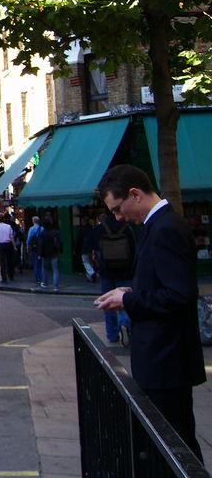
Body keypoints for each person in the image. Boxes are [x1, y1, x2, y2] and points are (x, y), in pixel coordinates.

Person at [95, 164, 205, 462]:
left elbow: (180, 295)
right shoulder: (156, 226)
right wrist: (128, 293)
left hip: (167, 360)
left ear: (135, 194)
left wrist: (129, 301)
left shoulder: (166, 229)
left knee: (175, 447)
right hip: (162, 358)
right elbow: (164, 287)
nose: (118, 217)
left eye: (118, 208)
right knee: (169, 444)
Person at [93, 212, 135, 345]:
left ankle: (112, 334)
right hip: (125, 271)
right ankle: (126, 323)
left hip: (107, 271)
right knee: (125, 300)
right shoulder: (127, 228)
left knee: (107, 302)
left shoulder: (100, 229)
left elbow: (95, 249)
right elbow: (134, 250)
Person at [37, 218, 61, 290]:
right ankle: (55, 286)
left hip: (45, 254)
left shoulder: (42, 233)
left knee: (44, 268)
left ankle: (45, 283)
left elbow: (41, 244)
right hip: (54, 253)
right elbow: (60, 243)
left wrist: (39, 254)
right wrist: (60, 251)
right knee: (55, 270)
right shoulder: (55, 233)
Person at [0, 214, 16, 283]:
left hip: (0, 245)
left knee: (2, 262)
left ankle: (4, 279)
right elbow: (11, 237)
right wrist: (14, 246)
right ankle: (11, 276)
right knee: (10, 261)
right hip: (8, 244)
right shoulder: (8, 226)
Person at [26, 216, 44, 286]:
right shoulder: (42, 228)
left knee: (36, 263)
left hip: (35, 248)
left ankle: (37, 279)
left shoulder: (32, 229)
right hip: (41, 248)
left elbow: (29, 239)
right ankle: (42, 278)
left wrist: (27, 247)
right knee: (41, 263)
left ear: (33, 221)